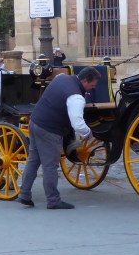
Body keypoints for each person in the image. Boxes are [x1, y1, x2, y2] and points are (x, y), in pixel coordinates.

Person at [17, 67, 101, 210]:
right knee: (50, 166)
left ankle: (24, 194)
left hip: (35, 122)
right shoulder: (76, 97)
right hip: (50, 129)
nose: (92, 88)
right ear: (85, 81)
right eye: (92, 85)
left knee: (33, 160)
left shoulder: (62, 77)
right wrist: (87, 132)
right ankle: (53, 200)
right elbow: (77, 123)